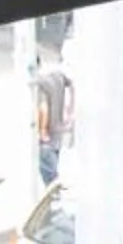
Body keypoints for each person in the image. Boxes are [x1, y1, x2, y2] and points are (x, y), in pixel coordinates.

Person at [32, 59, 74, 189]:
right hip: (58, 133)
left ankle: (55, 204)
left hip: (47, 137)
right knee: (53, 169)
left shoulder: (38, 83)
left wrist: (42, 131)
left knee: (50, 180)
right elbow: (71, 85)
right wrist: (70, 110)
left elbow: (43, 108)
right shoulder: (57, 74)